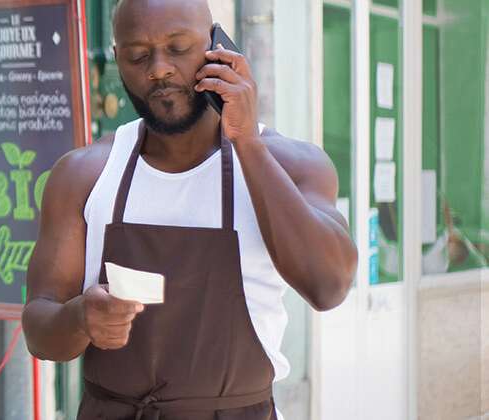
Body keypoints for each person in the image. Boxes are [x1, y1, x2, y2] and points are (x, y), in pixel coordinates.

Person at [21, 0, 358, 418]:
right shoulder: (84, 175)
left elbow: (329, 286)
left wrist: (247, 143)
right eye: (138, 55)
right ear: (117, 61)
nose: (159, 69)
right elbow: (39, 327)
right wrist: (79, 319)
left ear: (217, 45)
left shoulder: (291, 165)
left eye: (178, 48)